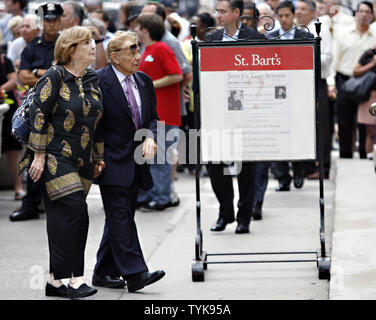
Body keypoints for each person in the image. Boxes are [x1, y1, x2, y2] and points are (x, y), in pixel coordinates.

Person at [21, 25, 103, 299]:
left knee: (60, 219)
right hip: (55, 156)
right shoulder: (54, 76)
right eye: (87, 43)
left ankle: (55, 282)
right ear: (71, 49)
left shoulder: (91, 78)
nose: (93, 46)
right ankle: (76, 279)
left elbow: (98, 121)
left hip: (83, 158)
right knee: (76, 211)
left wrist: (99, 156)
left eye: (93, 42)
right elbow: (38, 115)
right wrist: (40, 155)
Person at [92, 30, 165, 292]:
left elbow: (154, 118)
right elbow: (91, 124)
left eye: (138, 48)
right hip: (109, 160)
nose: (138, 55)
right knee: (121, 215)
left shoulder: (144, 81)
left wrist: (151, 137)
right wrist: (96, 157)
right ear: (114, 56)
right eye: (131, 50)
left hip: (137, 161)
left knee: (119, 217)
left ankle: (102, 272)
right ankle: (135, 274)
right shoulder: (98, 82)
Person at [206, 0, 265, 234]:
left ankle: (244, 216)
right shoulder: (211, 39)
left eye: (223, 11)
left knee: (246, 168)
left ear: (237, 13)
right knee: (215, 163)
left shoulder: (255, 38)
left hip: (246, 113)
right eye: (217, 11)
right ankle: (225, 212)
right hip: (218, 113)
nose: (218, 15)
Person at [10, 2, 63, 222]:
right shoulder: (33, 46)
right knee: (34, 155)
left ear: (60, 21)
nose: (50, 25)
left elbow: (70, 74)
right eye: (47, 20)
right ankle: (30, 205)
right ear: (42, 22)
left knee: (62, 156)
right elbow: (23, 77)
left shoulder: (66, 44)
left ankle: (59, 203)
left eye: (54, 20)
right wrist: (50, 74)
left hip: (62, 109)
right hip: (39, 110)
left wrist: (38, 73)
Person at [135, 13, 183, 212]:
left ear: (146, 29)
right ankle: (155, 195)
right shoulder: (147, 50)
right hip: (155, 114)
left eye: (138, 26)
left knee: (160, 158)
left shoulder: (162, 48)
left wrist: (150, 85)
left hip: (165, 112)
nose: (135, 30)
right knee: (155, 158)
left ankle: (162, 197)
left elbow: (177, 74)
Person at [328, 1, 375, 158]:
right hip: (344, 79)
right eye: (360, 11)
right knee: (344, 121)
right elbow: (334, 60)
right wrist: (331, 83)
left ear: (372, 15)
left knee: (364, 121)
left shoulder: (374, 36)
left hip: (367, 82)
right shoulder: (342, 34)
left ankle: (364, 154)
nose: (363, 15)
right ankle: (345, 154)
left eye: (367, 12)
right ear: (355, 14)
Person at [0, 48, 25, 201]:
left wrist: (1, 90)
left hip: (7, 109)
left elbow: (14, 81)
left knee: (12, 149)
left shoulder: (4, 60)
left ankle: (19, 188)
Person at [353, 46, 376, 159]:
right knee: (370, 131)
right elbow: (356, 72)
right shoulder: (369, 53)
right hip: (370, 95)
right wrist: (372, 64)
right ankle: (370, 156)